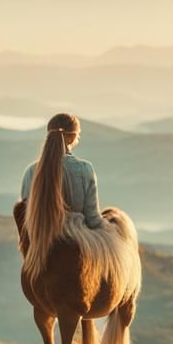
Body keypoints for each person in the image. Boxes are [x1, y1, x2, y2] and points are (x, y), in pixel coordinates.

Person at [20, 112, 105, 277]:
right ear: (73, 139)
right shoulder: (85, 169)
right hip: (80, 241)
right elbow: (92, 218)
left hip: (40, 250)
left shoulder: (31, 171)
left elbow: (24, 217)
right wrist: (111, 229)